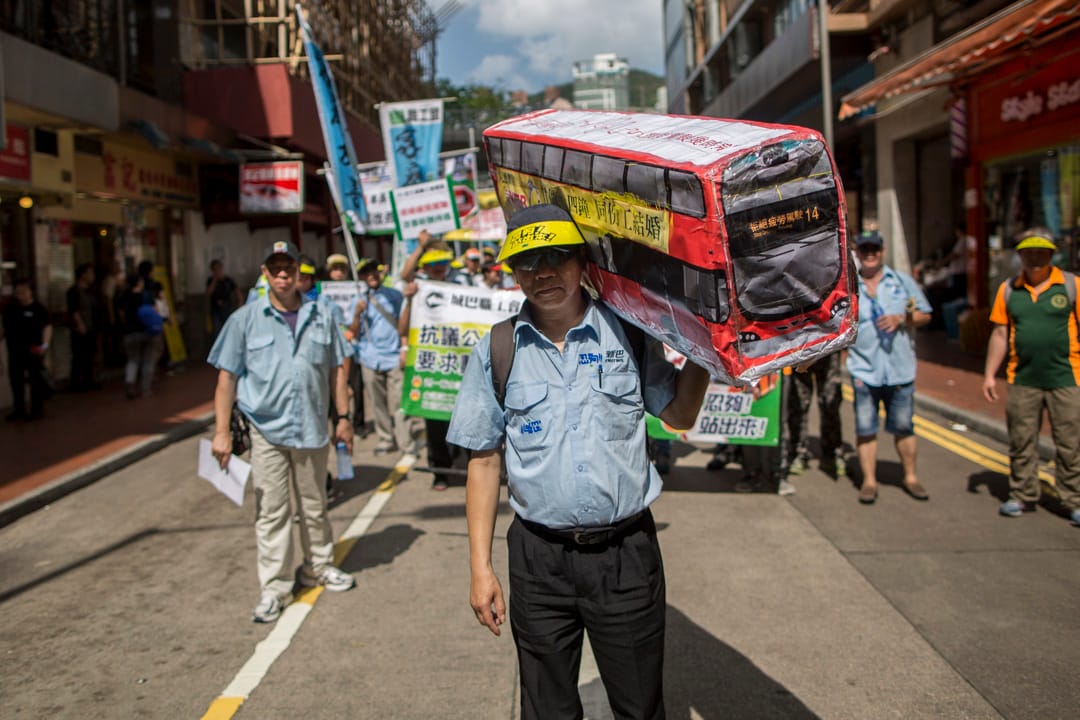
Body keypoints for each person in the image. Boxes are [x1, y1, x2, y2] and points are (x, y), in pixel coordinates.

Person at [447, 204, 710, 719]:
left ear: (583, 263)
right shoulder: (498, 348)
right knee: (547, 711)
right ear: (513, 271)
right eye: (527, 262)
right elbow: (483, 462)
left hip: (625, 557)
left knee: (639, 707)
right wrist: (481, 569)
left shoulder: (631, 332)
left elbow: (678, 414)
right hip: (538, 561)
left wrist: (706, 350)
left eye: (557, 257)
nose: (542, 273)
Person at [208, 240, 357, 623]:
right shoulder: (245, 318)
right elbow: (226, 378)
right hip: (265, 430)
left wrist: (343, 418)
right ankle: (274, 587)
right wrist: (221, 431)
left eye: (288, 268)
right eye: (275, 269)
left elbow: (337, 370)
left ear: (299, 273)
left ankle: (318, 567)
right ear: (264, 273)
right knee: (272, 511)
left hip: (311, 426)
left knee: (314, 505)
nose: (282, 275)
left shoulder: (322, 314)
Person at [982, 229, 1080, 526]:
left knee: (1070, 442)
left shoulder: (1072, 286)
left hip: (1067, 376)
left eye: (1041, 252)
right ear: (1020, 256)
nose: (1035, 258)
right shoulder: (1009, 289)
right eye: (1029, 252)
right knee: (1022, 440)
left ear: (1052, 254)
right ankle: (1023, 493)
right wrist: (989, 375)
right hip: (1022, 377)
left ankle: (1072, 498)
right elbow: (1000, 334)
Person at [848, 230, 933, 504]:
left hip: (899, 369)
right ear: (857, 253)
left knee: (903, 427)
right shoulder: (849, 286)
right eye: (865, 249)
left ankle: (910, 477)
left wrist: (903, 318)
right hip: (864, 368)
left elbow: (925, 313)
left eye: (874, 249)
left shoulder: (901, 281)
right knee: (865, 428)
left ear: (882, 251)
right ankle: (869, 482)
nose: (870, 253)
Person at [348, 257, 418, 457]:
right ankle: (386, 439)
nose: (371, 276)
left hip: (394, 356)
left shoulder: (395, 295)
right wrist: (356, 314)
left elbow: (405, 323)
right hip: (370, 358)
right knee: (377, 404)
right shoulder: (358, 300)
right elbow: (353, 332)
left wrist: (404, 349)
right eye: (366, 273)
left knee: (399, 404)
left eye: (374, 271)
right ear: (361, 277)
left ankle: (406, 443)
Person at [785, 352, 846, 482]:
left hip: (829, 349)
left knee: (830, 404)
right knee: (798, 406)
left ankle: (832, 454)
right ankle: (798, 453)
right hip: (800, 351)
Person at [2, 278, 52, 421]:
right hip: (15, 350)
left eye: (24, 291)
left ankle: (37, 409)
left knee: (35, 380)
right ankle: (19, 409)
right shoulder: (10, 309)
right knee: (16, 381)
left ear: (30, 292)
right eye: (18, 291)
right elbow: (5, 328)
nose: (20, 294)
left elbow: (47, 327)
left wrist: (45, 344)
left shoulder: (38, 309)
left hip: (33, 350)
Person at [118, 273, 164, 398]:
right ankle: (146, 389)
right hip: (148, 332)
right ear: (139, 282)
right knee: (148, 360)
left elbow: (122, 315)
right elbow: (156, 311)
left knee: (132, 360)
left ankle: (130, 384)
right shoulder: (146, 296)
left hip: (130, 333)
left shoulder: (124, 297)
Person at [66, 263, 99, 391]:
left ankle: (88, 380)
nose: (92, 276)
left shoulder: (91, 291)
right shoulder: (73, 291)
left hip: (91, 328)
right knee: (79, 356)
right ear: (82, 275)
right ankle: (76, 382)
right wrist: (80, 325)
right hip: (80, 329)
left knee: (90, 355)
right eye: (90, 273)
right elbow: (74, 310)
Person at [206, 259, 242, 343]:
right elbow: (209, 292)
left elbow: (237, 291)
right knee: (217, 331)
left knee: (229, 329)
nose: (217, 271)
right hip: (215, 310)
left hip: (227, 308)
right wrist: (215, 280)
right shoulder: (210, 280)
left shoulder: (228, 280)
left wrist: (240, 303)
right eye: (215, 269)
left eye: (218, 268)